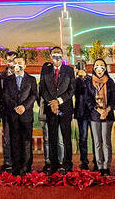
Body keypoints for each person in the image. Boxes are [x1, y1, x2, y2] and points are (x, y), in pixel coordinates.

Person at [39, 46, 75, 174]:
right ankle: (53, 165)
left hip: (65, 108)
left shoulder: (69, 70)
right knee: (52, 137)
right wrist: (51, 102)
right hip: (51, 109)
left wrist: (58, 101)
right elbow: (42, 88)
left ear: (62, 55)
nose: (57, 56)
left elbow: (72, 89)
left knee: (66, 138)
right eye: (54, 54)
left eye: (59, 53)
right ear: (50, 56)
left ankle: (67, 164)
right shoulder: (45, 70)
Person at [0, 55, 37, 175]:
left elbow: (33, 95)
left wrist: (24, 107)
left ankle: (26, 167)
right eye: (15, 63)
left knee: (26, 142)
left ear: (25, 65)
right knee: (14, 141)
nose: (17, 65)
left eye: (20, 63)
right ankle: (16, 167)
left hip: (26, 115)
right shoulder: (7, 80)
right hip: (13, 114)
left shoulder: (31, 79)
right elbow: (5, 95)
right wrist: (15, 107)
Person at [87, 58, 115, 176]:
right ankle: (99, 166)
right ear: (93, 68)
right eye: (97, 65)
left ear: (105, 68)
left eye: (101, 65)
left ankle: (106, 166)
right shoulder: (89, 82)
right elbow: (88, 99)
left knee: (106, 142)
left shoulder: (110, 82)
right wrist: (98, 109)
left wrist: (107, 110)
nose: (99, 67)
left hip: (108, 116)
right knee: (97, 142)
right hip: (95, 116)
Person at [0, 51, 16, 172]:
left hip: (20, 111)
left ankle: (19, 161)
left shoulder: (21, 73)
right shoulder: (2, 76)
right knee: (7, 137)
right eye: (9, 60)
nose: (11, 62)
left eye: (13, 60)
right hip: (6, 110)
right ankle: (7, 162)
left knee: (19, 136)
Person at [73, 59, 93, 170]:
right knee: (83, 137)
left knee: (95, 138)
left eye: (82, 66)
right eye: (78, 66)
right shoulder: (75, 80)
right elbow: (75, 92)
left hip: (92, 111)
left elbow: (91, 92)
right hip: (81, 112)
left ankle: (97, 160)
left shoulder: (91, 79)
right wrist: (77, 77)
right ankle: (84, 161)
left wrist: (84, 78)